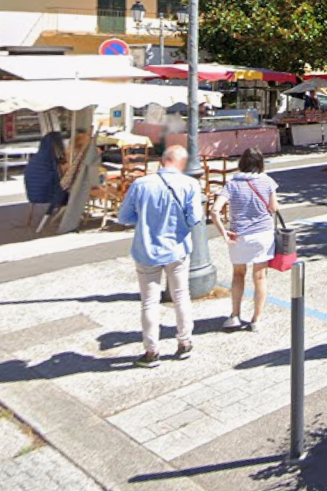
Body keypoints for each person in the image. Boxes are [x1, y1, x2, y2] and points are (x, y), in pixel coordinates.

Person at [117, 144, 201, 368]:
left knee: (149, 301)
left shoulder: (141, 184)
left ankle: (151, 351)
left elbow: (124, 216)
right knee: (181, 296)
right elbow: (195, 219)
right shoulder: (190, 184)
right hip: (177, 248)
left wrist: (145, 220)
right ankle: (185, 343)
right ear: (182, 164)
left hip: (147, 249)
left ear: (162, 161)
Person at [211, 148, 279, 332]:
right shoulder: (268, 181)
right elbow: (273, 207)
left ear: (242, 162)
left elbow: (215, 210)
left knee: (238, 274)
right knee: (260, 276)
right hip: (263, 234)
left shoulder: (232, 183)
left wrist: (224, 233)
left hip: (239, 235)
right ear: (260, 163)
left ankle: (235, 315)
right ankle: (256, 319)